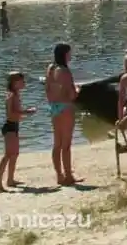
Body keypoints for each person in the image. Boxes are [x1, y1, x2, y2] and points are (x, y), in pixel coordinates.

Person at [45, 43, 80, 185]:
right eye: (69, 53)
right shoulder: (65, 71)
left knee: (57, 143)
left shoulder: (50, 68)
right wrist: (78, 90)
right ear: (65, 54)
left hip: (53, 107)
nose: (71, 55)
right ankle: (68, 176)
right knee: (66, 144)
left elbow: (47, 89)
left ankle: (59, 175)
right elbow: (71, 94)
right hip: (65, 107)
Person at [0, 72, 36, 192]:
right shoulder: (11, 96)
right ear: (15, 82)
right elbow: (10, 114)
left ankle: (10, 179)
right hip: (9, 128)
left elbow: (16, 113)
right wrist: (26, 112)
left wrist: (25, 112)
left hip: (15, 126)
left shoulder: (16, 95)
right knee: (8, 155)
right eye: (22, 81)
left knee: (15, 154)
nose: (24, 83)